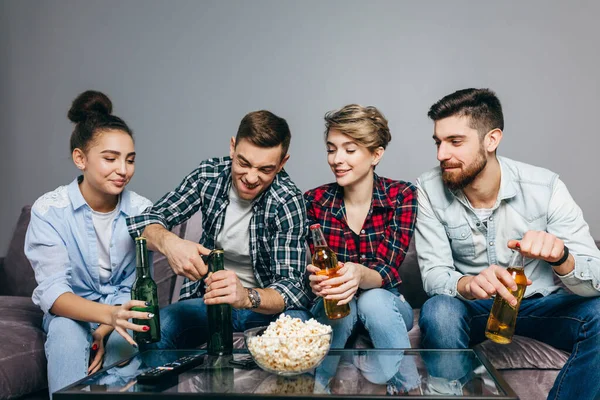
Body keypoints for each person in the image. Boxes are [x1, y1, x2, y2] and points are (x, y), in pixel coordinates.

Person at [415, 88, 600, 399]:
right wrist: (468, 284)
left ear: (492, 139)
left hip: (542, 304)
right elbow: (434, 273)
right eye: (438, 142)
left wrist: (562, 258)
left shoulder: (546, 187)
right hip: (474, 307)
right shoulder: (428, 189)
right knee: (439, 311)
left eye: (455, 142)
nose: (441, 154)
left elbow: (596, 277)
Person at [126, 110, 312, 350]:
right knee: (155, 331)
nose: (252, 177)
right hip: (209, 302)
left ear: (282, 163)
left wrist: (246, 296)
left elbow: (291, 288)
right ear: (232, 148)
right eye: (244, 163)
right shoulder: (209, 176)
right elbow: (145, 221)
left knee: (301, 333)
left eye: (265, 169)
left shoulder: (287, 199)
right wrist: (169, 243)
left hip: (263, 309)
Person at [24, 91, 153, 396]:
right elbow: (55, 295)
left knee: (126, 341)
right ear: (80, 158)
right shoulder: (49, 210)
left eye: (130, 160)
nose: (123, 170)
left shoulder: (141, 211)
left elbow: (135, 288)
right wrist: (104, 316)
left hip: (122, 312)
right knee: (65, 336)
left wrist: (109, 325)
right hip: (71, 310)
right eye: (110, 158)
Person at [305, 104, 419, 394]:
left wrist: (356, 274)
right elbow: (318, 267)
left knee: (373, 301)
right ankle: (319, 389)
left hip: (387, 302)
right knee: (339, 308)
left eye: (349, 149)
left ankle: (408, 389)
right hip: (334, 303)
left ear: (376, 155)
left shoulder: (401, 196)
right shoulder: (314, 201)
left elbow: (388, 268)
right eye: (332, 149)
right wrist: (316, 282)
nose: (337, 159)